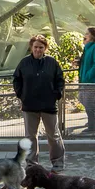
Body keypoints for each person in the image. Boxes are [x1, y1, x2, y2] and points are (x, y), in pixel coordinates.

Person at [13, 33, 65, 169]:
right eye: (35, 47)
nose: (38, 50)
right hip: (29, 106)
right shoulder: (24, 63)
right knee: (30, 136)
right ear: (31, 47)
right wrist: (21, 95)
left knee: (53, 135)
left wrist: (57, 94)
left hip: (49, 106)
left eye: (41, 47)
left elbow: (60, 79)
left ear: (45, 48)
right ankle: (31, 164)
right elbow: (16, 79)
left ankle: (58, 163)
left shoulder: (52, 63)